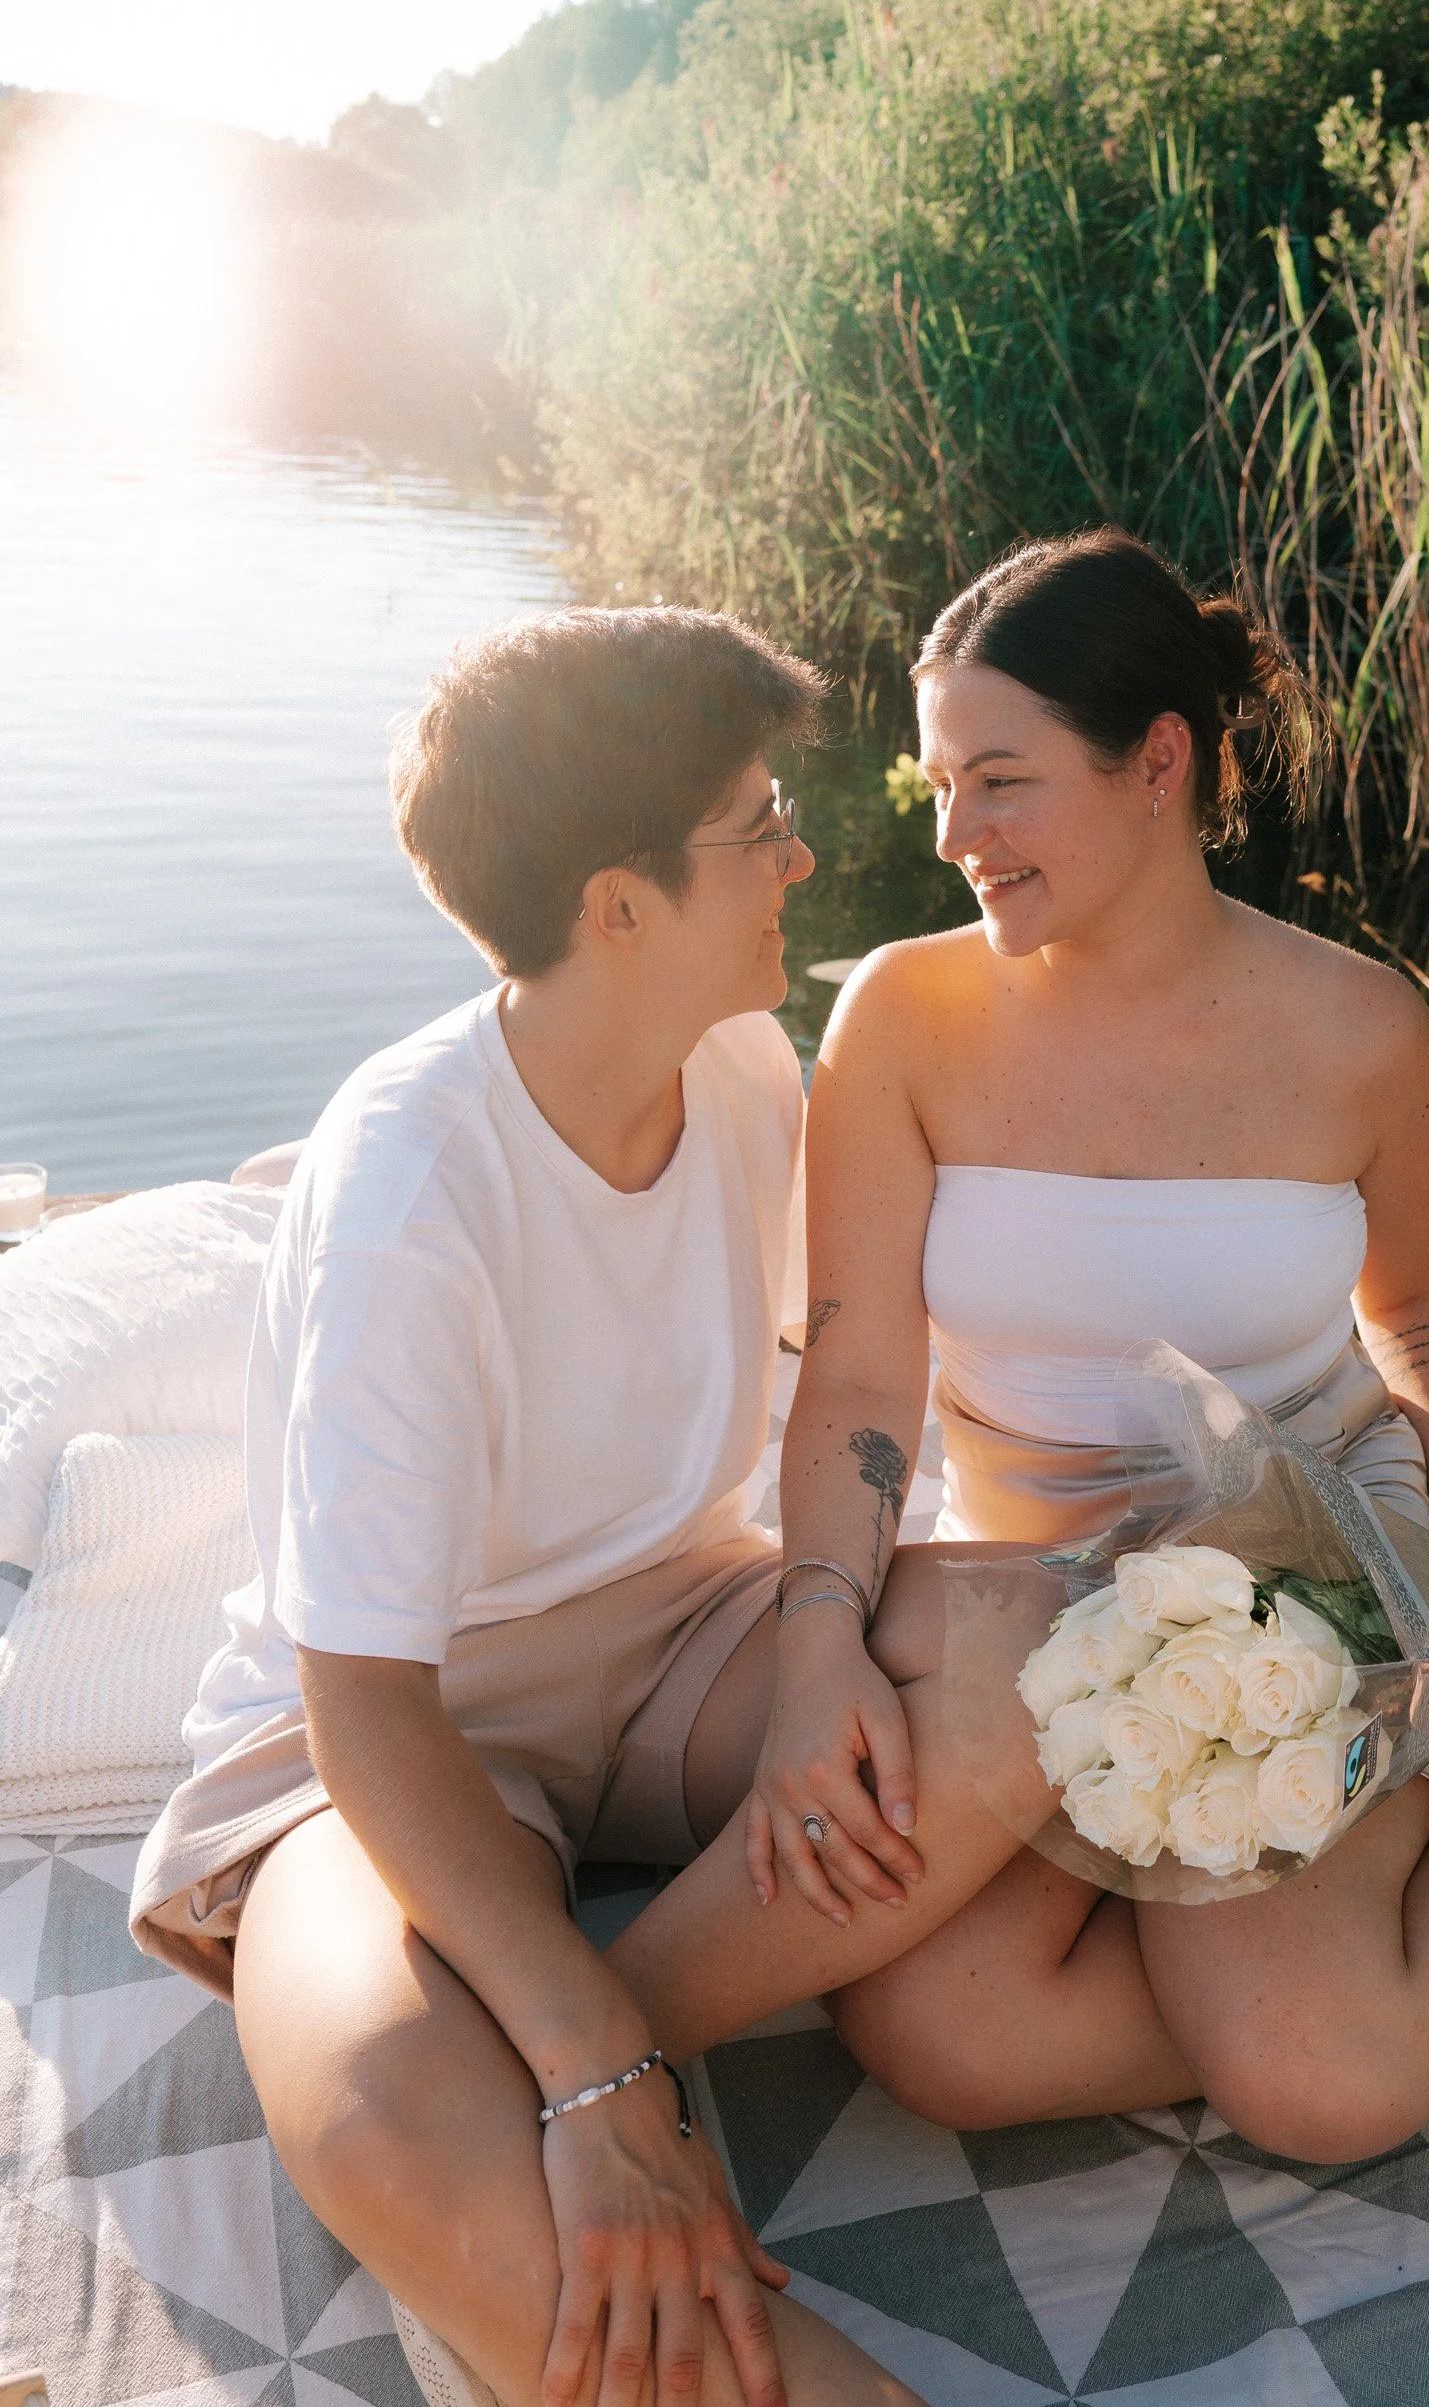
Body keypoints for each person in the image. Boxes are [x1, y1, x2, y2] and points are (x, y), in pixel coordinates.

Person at [612, 530, 1429, 2165]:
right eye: (940, 782)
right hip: (1030, 1594)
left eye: (1002, 783)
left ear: (1157, 762)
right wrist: (821, 1634)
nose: (956, 836)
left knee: (1315, 2085)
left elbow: (1422, 1304)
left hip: (1310, 1546)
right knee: (945, 2033)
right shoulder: (899, 1012)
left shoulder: (1362, 1028)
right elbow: (864, 1370)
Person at [129, 607, 924, 2407]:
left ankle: (573, 2010)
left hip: (682, 1631)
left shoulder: (740, 1067)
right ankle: (565, 2067)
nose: (803, 850)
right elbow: (363, 1697)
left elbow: (838, 1384)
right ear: (615, 903)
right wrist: (590, 2078)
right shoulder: (413, 1189)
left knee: (1042, 1662)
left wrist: (818, 1650)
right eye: (759, 822)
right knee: (399, 2134)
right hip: (405, 1734)